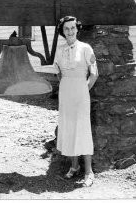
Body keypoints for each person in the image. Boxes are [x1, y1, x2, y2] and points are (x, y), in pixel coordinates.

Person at [53, 16, 99, 187]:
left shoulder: (86, 48)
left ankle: (88, 172)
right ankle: (74, 166)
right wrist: (66, 86)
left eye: (73, 28)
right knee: (68, 127)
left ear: (77, 29)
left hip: (81, 93)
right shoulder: (60, 50)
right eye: (66, 29)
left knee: (82, 128)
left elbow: (94, 74)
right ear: (62, 32)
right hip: (66, 93)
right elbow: (58, 72)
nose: (70, 31)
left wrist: (82, 90)